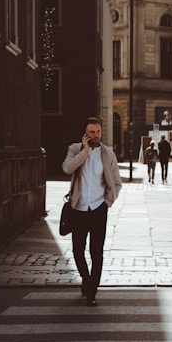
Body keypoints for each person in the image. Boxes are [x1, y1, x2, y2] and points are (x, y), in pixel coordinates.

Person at [62, 117, 122, 306]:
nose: (95, 136)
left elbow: (117, 183)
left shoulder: (108, 154)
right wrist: (85, 152)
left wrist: (108, 202)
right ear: (85, 133)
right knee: (78, 251)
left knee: (96, 252)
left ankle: (91, 292)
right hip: (78, 209)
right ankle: (87, 281)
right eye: (91, 132)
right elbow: (67, 168)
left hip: (98, 209)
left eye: (98, 132)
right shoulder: (75, 149)